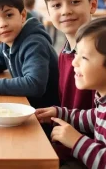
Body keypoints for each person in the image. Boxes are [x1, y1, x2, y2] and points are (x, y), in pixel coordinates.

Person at [36, 18, 106, 169]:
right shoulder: (102, 99)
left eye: (84, 58)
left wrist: (77, 141)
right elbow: (94, 117)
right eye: (76, 54)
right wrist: (60, 113)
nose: (74, 62)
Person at [41, 0, 97, 110]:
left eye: (75, 1)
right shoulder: (64, 52)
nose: (66, 11)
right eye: (56, 5)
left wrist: (75, 133)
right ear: (48, 12)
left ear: (92, 5)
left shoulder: (99, 53)